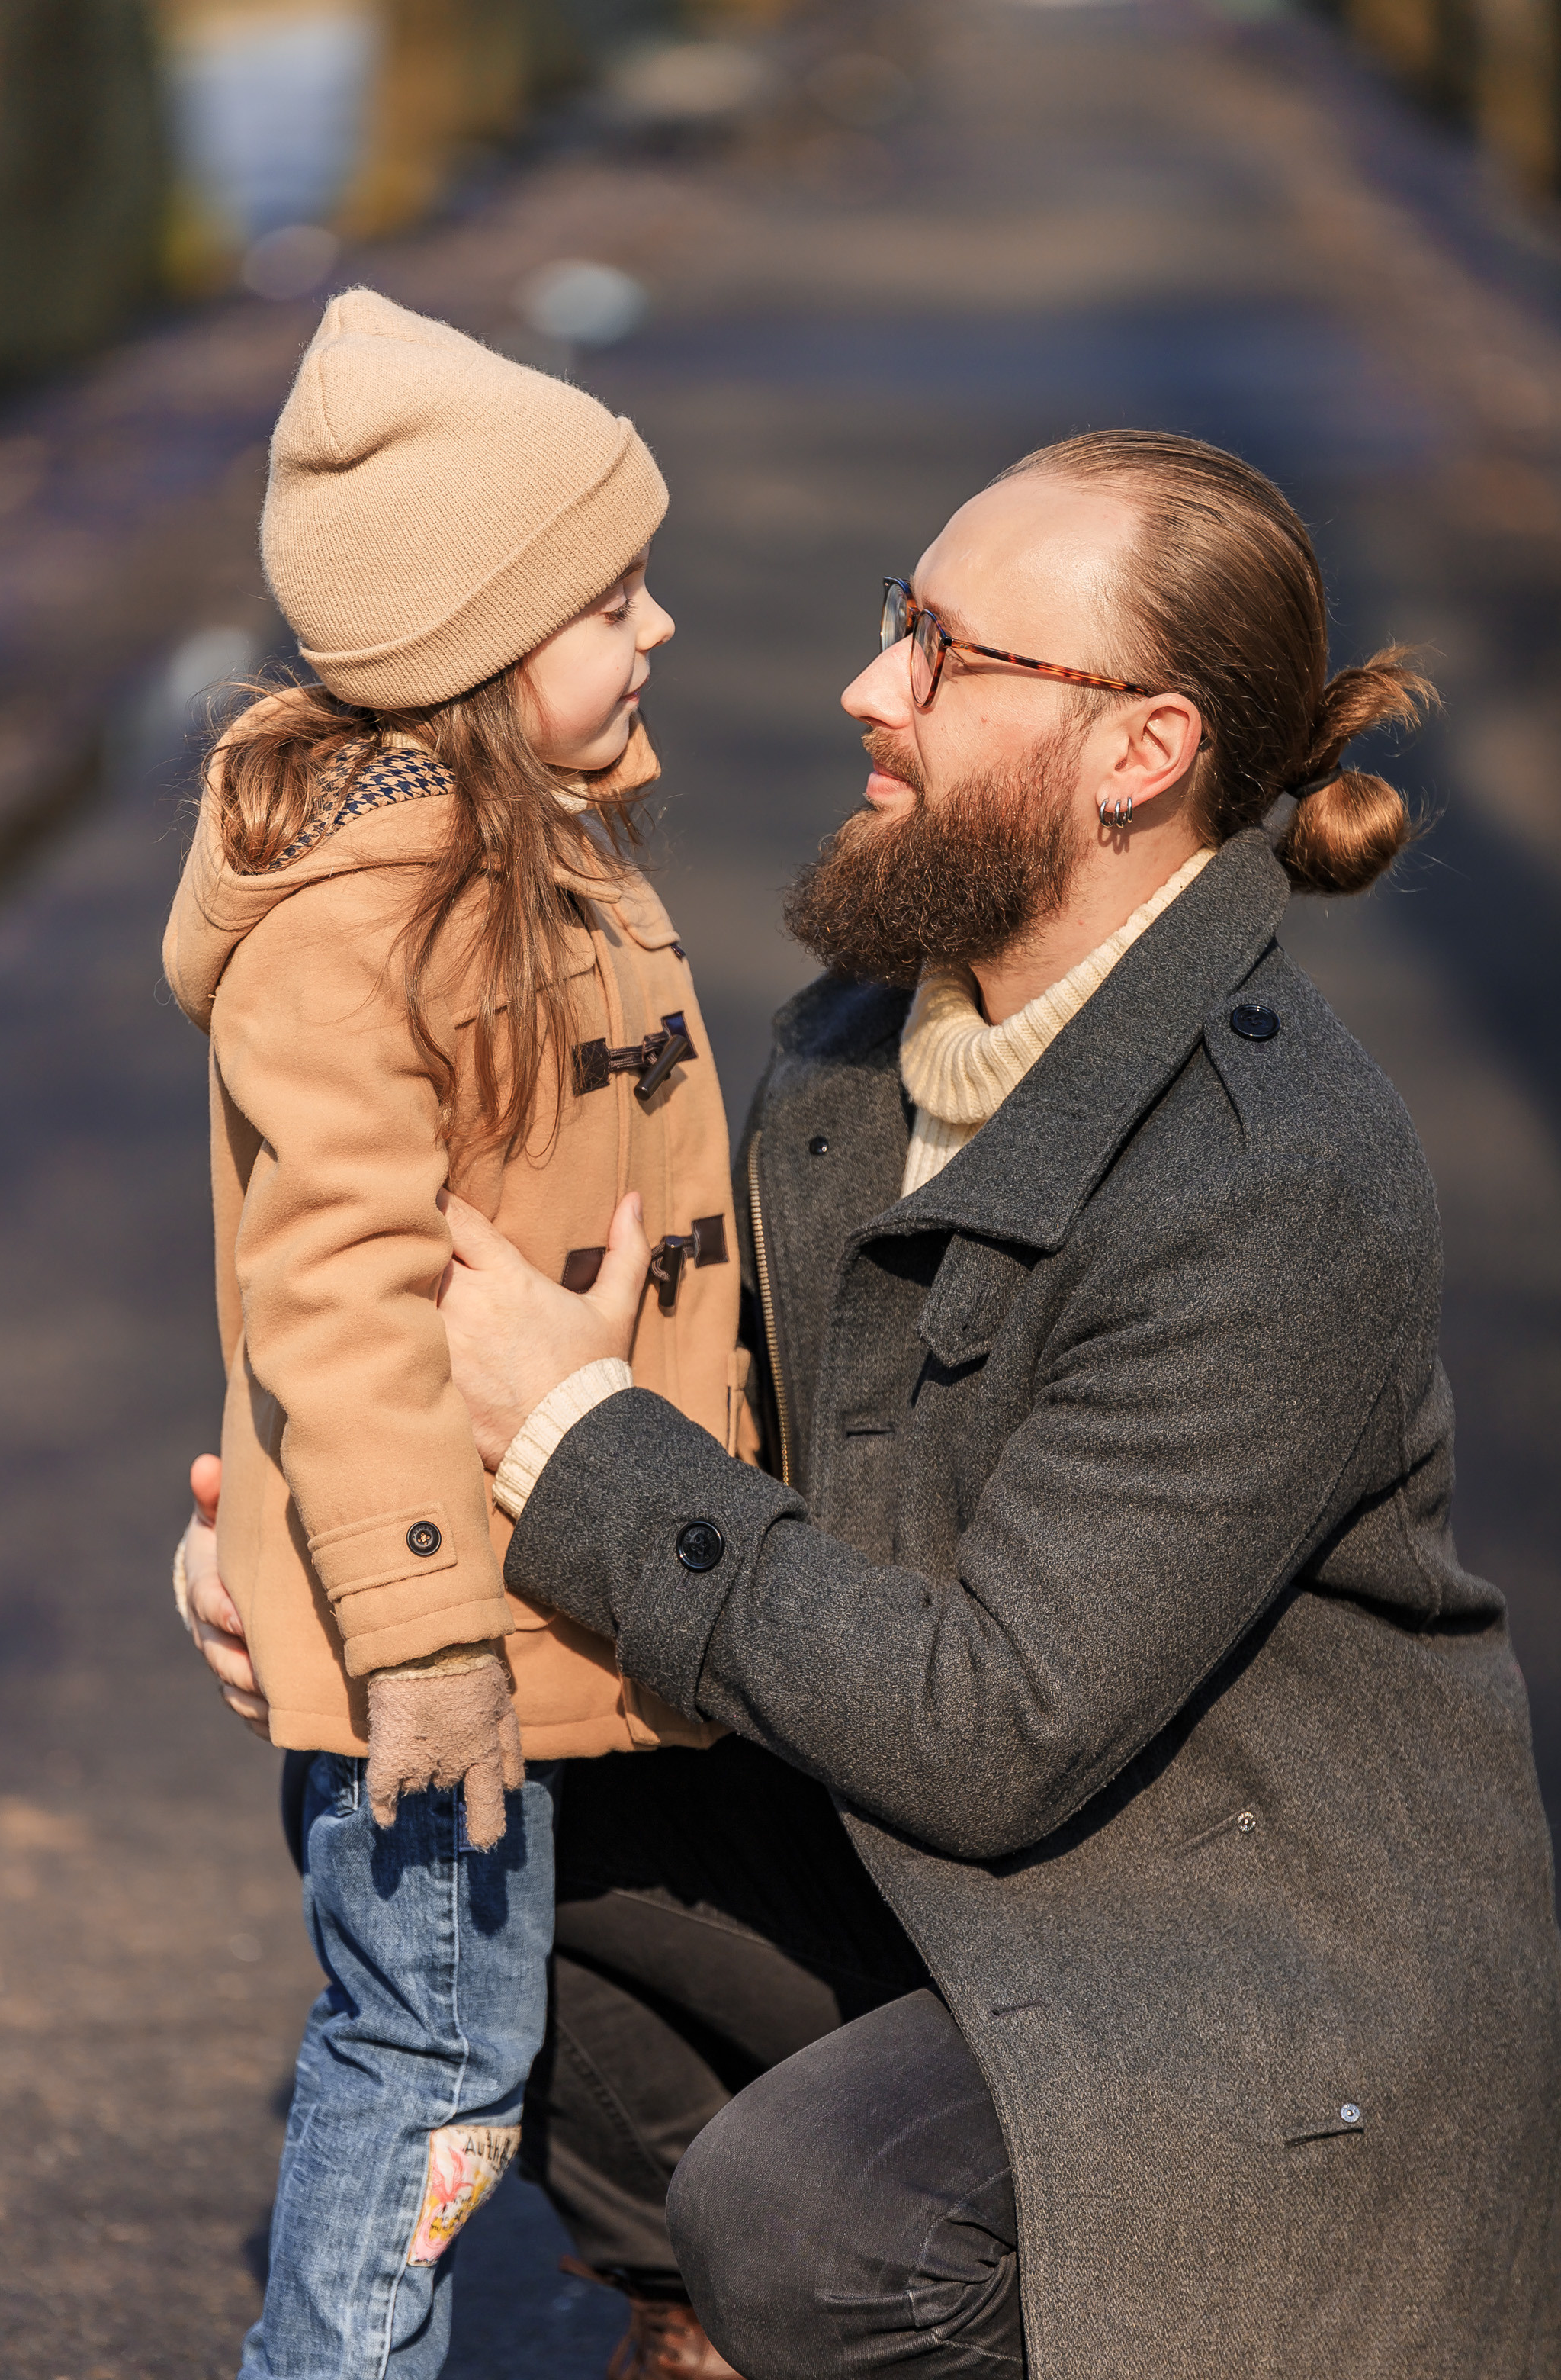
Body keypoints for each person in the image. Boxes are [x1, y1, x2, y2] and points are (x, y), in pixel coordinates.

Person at [187, 430, 1561, 2376]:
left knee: (817, 2217)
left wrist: (564, 1437)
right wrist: (312, 1541)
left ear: (1137, 753)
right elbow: (662, 1402)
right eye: (890, 623)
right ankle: (697, 2332)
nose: (865, 688)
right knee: (449, 1779)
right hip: (952, 1853)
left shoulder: (1276, 1176)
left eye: (942, 649)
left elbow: (987, 1724)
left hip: (1236, 1948)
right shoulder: (857, 1039)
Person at [164, 285, 746, 2380]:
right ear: (486, 650)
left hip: (534, 1595)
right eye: (611, 598)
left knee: (471, 2040)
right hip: (442, 1649)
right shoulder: (359, 923)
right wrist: (419, 1643)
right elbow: (333, 1295)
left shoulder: (536, 856)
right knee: (432, 2046)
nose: (657, 628)